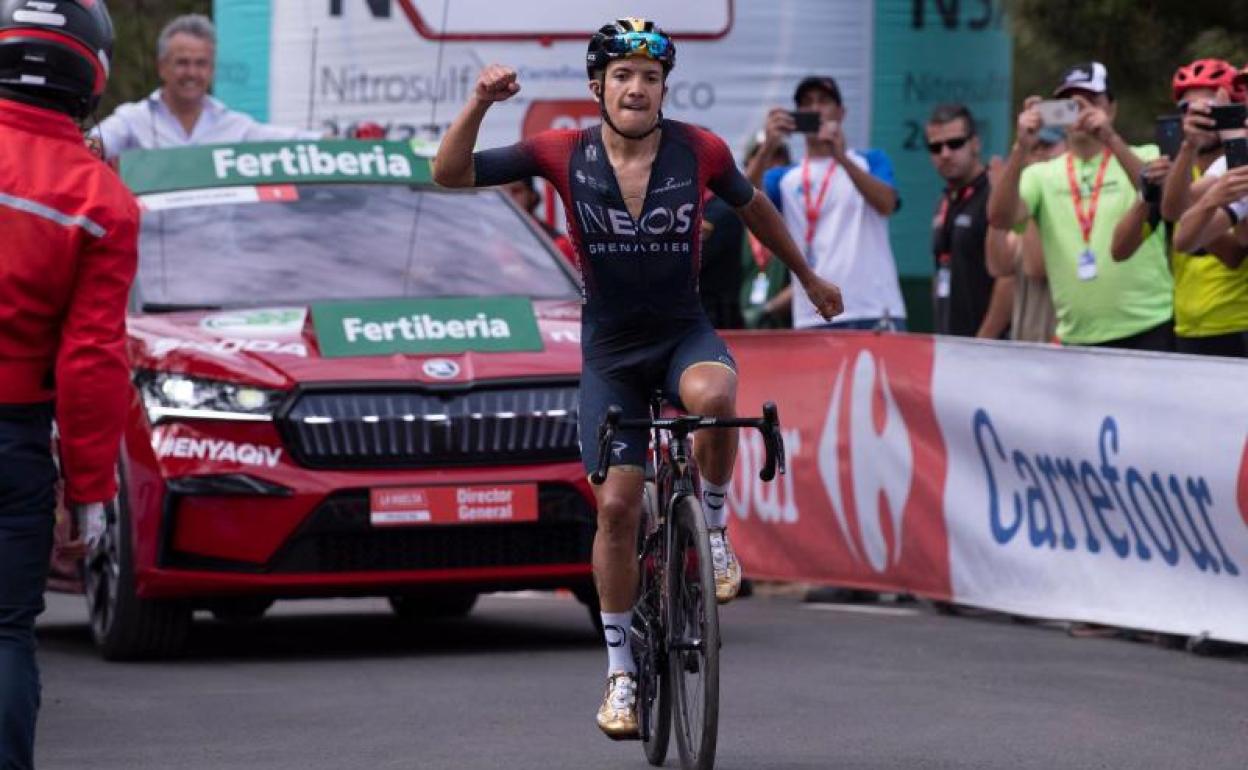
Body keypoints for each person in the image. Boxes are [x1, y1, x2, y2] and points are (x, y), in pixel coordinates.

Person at [431, 17, 843, 738]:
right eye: (621, 75)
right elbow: (449, 173)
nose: (636, 87)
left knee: (716, 399)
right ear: (598, 87)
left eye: (649, 77)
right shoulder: (560, 151)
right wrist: (480, 103)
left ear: (662, 89)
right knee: (618, 510)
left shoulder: (701, 149)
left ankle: (712, 530)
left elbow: (755, 209)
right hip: (611, 353)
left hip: (683, 333)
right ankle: (621, 672)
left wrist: (807, 276)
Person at [0, 3, 138, 768]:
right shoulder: (99, 199)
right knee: (5, 632)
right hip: (13, 438)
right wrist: (90, 489)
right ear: (91, 73)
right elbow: (91, 360)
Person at [988, 62, 1174, 351]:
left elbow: (1157, 193)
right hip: (1077, 337)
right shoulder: (1041, 173)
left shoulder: (1145, 154)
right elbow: (999, 218)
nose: (1080, 109)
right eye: (1069, 103)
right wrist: (1021, 146)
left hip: (1149, 326)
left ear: (1111, 108)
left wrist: (1110, 137)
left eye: (1091, 100)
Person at [750, 76, 906, 330]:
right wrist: (768, 147)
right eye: (806, 103)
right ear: (796, 115)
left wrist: (841, 157)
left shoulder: (870, 160)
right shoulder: (785, 178)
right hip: (814, 314)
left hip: (874, 310)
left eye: (823, 101)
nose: (815, 109)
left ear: (841, 113)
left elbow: (886, 204)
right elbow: (745, 202)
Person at [1118, 59, 1248, 357]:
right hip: (1191, 328)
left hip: (1238, 321)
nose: (1203, 117)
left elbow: (1235, 250)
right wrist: (1187, 147)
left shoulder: (1236, 157)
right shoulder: (1227, 164)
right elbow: (1178, 226)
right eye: (1190, 111)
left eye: (1212, 108)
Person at [92, 14, 319, 158]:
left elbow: (293, 140)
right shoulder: (132, 120)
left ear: (211, 70)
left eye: (201, 63)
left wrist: (344, 139)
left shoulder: (233, 125)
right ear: (162, 67)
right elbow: (93, 145)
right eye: (182, 62)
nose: (191, 72)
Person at [924, 103, 1012, 338]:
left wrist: (984, 340)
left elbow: (1008, 278)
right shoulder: (944, 202)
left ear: (975, 143)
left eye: (955, 144)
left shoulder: (993, 195)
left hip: (989, 348)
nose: (945, 153)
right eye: (935, 147)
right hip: (950, 343)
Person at [984, 127, 1065, 343]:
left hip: (1062, 344)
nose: (1039, 154)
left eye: (1047, 146)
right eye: (1033, 148)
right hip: (1027, 342)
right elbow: (998, 265)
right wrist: (999, 202)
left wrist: (1029, 193)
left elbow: (1036, 266)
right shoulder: (1025, 200)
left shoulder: (1072, 204)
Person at [501, 177, 578, 266]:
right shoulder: (493, 237)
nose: (509, 198)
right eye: (503, 193)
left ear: (532, 195)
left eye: (516, 191)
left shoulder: (557, 245)